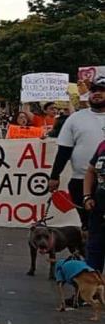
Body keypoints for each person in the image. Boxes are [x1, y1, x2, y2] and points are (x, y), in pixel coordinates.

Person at [49, 76, 105, 231]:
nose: (97, 94)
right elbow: (64, 150)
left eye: (102, 90)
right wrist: (54, 176)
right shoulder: (75, 118)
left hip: (104, 181)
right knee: (88, 225)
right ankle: (90, 253)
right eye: (94, 90)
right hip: (81, 181)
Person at [83, 138, 105, 272]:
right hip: (98, 212)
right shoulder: (103, 145)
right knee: (93, 255)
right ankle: (91, 291)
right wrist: (87, 196)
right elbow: (90, 171)